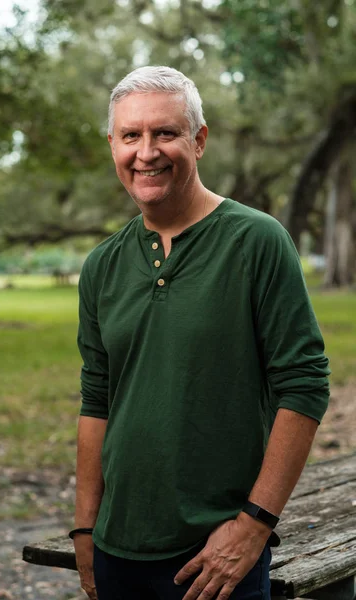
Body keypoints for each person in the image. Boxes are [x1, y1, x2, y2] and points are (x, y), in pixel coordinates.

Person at [71, 66, 330, 600]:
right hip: (118, 549)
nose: (146, 152)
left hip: (216, 557)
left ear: (199, 139)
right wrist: (83, 529)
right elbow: (97, 399)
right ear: (113, 146)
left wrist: (254, 524)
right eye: (130, 136)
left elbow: (303, 385)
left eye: (165, 133)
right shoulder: (103, 265)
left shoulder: (256, 241)